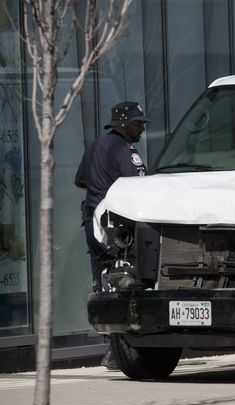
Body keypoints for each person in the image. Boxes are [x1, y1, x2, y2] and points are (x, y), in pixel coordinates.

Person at [75, 101, 149, 369]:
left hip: (92, 223)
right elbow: (138, 186)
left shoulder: (95, 146)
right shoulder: (127, 151)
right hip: (117, 228)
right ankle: (119, 350)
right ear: (125, 124)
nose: (142, 127)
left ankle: (112, 349)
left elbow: (80, 180)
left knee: (105, 284)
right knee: (126, 282)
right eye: (138, 123)